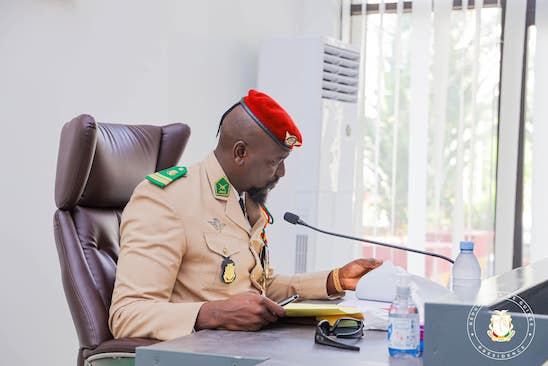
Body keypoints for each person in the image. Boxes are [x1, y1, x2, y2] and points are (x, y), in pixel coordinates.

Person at [109, 90, 382, 341]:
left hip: (244, 348)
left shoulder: (244, 201)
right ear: (240, 152)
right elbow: (128, 314)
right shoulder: (167, 199)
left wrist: (335, 279)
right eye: (275, 162)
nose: (281, 173)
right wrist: (214, 313)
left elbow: (260, 288)